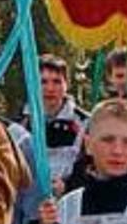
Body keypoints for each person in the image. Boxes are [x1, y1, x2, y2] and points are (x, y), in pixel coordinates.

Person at [22, 53, 89, 191]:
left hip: (69, 199)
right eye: (43, 82)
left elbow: (91, 165)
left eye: (57, 81)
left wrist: (67, 186)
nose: (50, 89)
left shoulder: (85, 122)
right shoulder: (21, 123)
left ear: (67, 85)